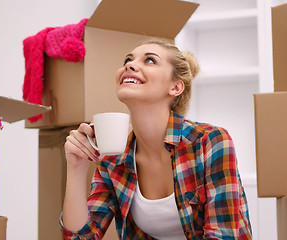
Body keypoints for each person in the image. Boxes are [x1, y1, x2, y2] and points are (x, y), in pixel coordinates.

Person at [60, 39, 252, 239]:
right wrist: (77, 167)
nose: (129, 65)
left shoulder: (210, 142)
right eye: (128, 59)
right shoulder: (112, 160)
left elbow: (225, 235)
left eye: (150, 60)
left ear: (176, 87)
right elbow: (80, 237)